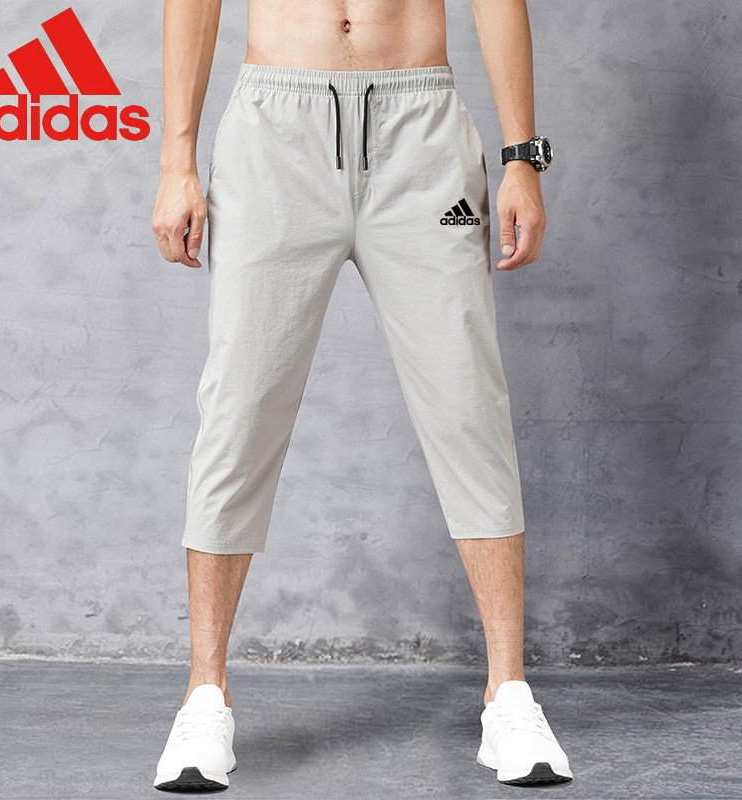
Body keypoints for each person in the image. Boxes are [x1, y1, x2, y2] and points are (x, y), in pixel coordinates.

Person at [151, 0, 569, 790]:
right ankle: (205, 697)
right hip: (276, 129)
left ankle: (509, 695)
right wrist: (178, 160)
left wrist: (523, 157)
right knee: (239, 412)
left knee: (468, 408)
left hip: (421, 128)